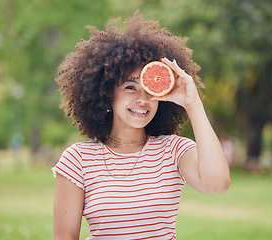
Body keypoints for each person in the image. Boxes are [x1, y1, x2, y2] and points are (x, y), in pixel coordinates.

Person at [52, 12, 230, 240]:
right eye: (130, 87)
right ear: (107, 92)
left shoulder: (173, 151)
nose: (143, 100)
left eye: (151, 89)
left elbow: (217, 183)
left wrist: (192, 103)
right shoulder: (77, 159)